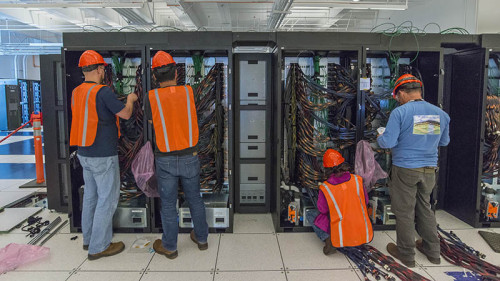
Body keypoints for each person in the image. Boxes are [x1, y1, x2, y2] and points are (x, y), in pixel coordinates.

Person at [70, 50, 138, 260]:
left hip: (84, 152)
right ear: (99, 69)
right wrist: (130, 99)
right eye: (102, 69)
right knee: (107, 200)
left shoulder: (77, 92)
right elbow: (125, 114)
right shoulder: (102, 92)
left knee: (91, 196)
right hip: (102, 154)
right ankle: (99, 247)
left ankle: (89, 239)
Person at [377, 74, 450, 268]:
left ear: (402, 93)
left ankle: (406, 254)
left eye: (397, 96)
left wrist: (380, 137)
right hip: (429, 170)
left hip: (405, 169)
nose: (397, 100)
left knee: (404, 212)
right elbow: (444, 142)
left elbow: (388, 142)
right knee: (425, 208)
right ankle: (433, 251)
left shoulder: (400, 113)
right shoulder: (439, 114)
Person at [145, 51, 208, 259]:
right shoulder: (189, 92)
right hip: (190, 155)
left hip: (165, 158)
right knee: (195, 200)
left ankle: (170, 247)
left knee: (169, 204)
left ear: (154, 77)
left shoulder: (151, 97)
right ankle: (201, 239)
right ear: (176, 73)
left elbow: (154, 123)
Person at [306, 149, 373, 255]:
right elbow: (366, 201)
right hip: (359, 227)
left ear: (327, 168)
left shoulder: (326, 187)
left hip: (340, 229)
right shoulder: (357, 180)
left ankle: (328, 239)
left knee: (310, 214)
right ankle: (356, 239)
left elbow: (322, 209)